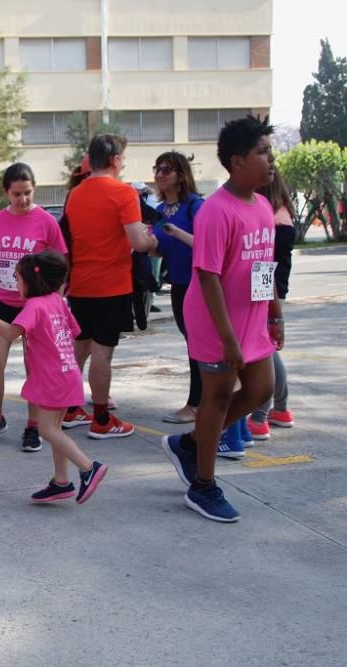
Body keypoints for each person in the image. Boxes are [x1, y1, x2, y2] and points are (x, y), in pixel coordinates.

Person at [162, 115, 282, 523]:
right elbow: (207, 277)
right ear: (236, 161)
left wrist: (274, 313)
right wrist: (228, 338)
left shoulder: (262, 206)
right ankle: (203, 486)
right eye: (262, 153)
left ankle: (192, 443)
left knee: (262, 387)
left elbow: (264, 267)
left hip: (251, 320)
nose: (271, 160)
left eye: (270, 151)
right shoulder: (216, 211)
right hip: (215, 323)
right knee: (215, 396)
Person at [0, 251, 108, 505]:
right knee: (55, 428)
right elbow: (75, 330)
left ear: (32, 281)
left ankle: (87, 467)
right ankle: (61, 481)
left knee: (47, 429)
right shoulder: (57, 301)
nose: (16, 285)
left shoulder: (35, 306)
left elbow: (11, 333)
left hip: (52, 379)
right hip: (67, 373)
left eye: (18, 279)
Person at [62, 134, 158, 439]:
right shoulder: (123, 193)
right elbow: (138, 241)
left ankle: (69, 407)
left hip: (80, 285)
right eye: (123, 159)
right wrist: (157, 240)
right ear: (115, 161)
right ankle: (102, 419)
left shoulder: (75, 195)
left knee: (80, 348)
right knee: (103, 352)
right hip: (111, 285)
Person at [0, 162, 67, 451]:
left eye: (28, 193)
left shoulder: (46, 222)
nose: (23, 200)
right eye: (16, 194)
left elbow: (61, 261)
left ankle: (33, 425)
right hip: (2, 301)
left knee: (34, 366)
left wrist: (57, 299)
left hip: (35, 306)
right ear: (6, 193)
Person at [152, 152, 205, 425]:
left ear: (181, 175)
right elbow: (160, 250)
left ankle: (197, 404)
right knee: (192, 344)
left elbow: (207, 244)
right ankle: (202, 401)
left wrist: (175, 233)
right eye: (157, 168)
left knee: (200, 346)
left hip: (201, 285)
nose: (160, 174)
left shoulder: (195, 206)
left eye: (167, 170)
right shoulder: (160, 211)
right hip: (179, 285)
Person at [248, 168, 296, 439]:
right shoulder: (283, 212)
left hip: (265, 286)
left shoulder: (269, 216)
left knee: (264, 351)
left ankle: (259, 417)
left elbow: (264, 265)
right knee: (268, 349)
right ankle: (281, 409)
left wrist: (269, 307)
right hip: (270, 287)